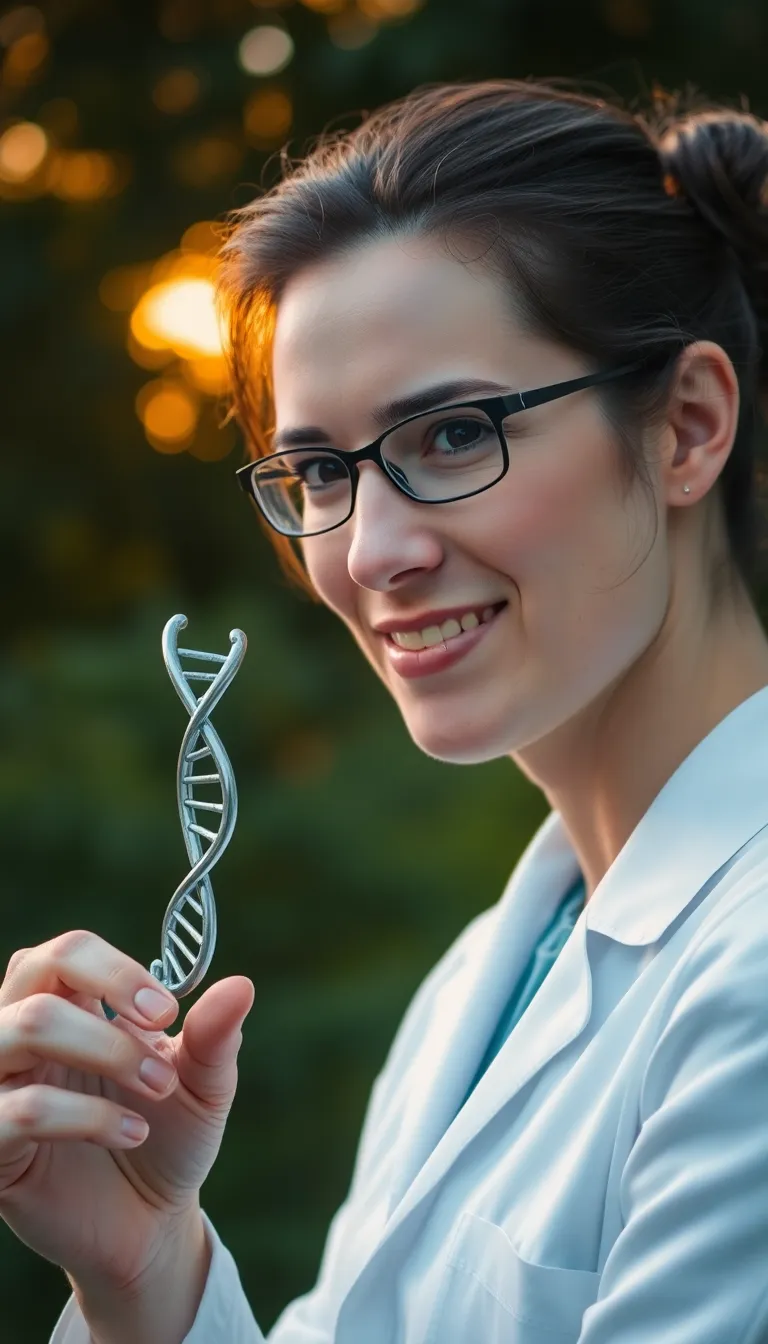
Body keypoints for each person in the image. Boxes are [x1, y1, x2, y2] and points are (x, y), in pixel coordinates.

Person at [2, 74, 768, 1342]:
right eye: (315, 472)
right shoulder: (490, 979)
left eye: (456, 434)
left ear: (688, 426)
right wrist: (143, 1270)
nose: (369, 552)